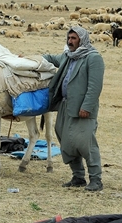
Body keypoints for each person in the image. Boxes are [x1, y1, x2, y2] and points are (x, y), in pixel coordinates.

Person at [43, 26, 105, 192]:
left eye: (74, 38)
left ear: (82, 40)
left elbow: (95, 86)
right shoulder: (68, 56)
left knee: (85, 143)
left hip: (82, 108)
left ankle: (96, 179)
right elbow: (50, 58)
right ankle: (78, 177)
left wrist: (87, 106)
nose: (70, 41)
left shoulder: (93, 58)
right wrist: (27, 59)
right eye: (69, 38)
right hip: (65, 105)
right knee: (65, 140)